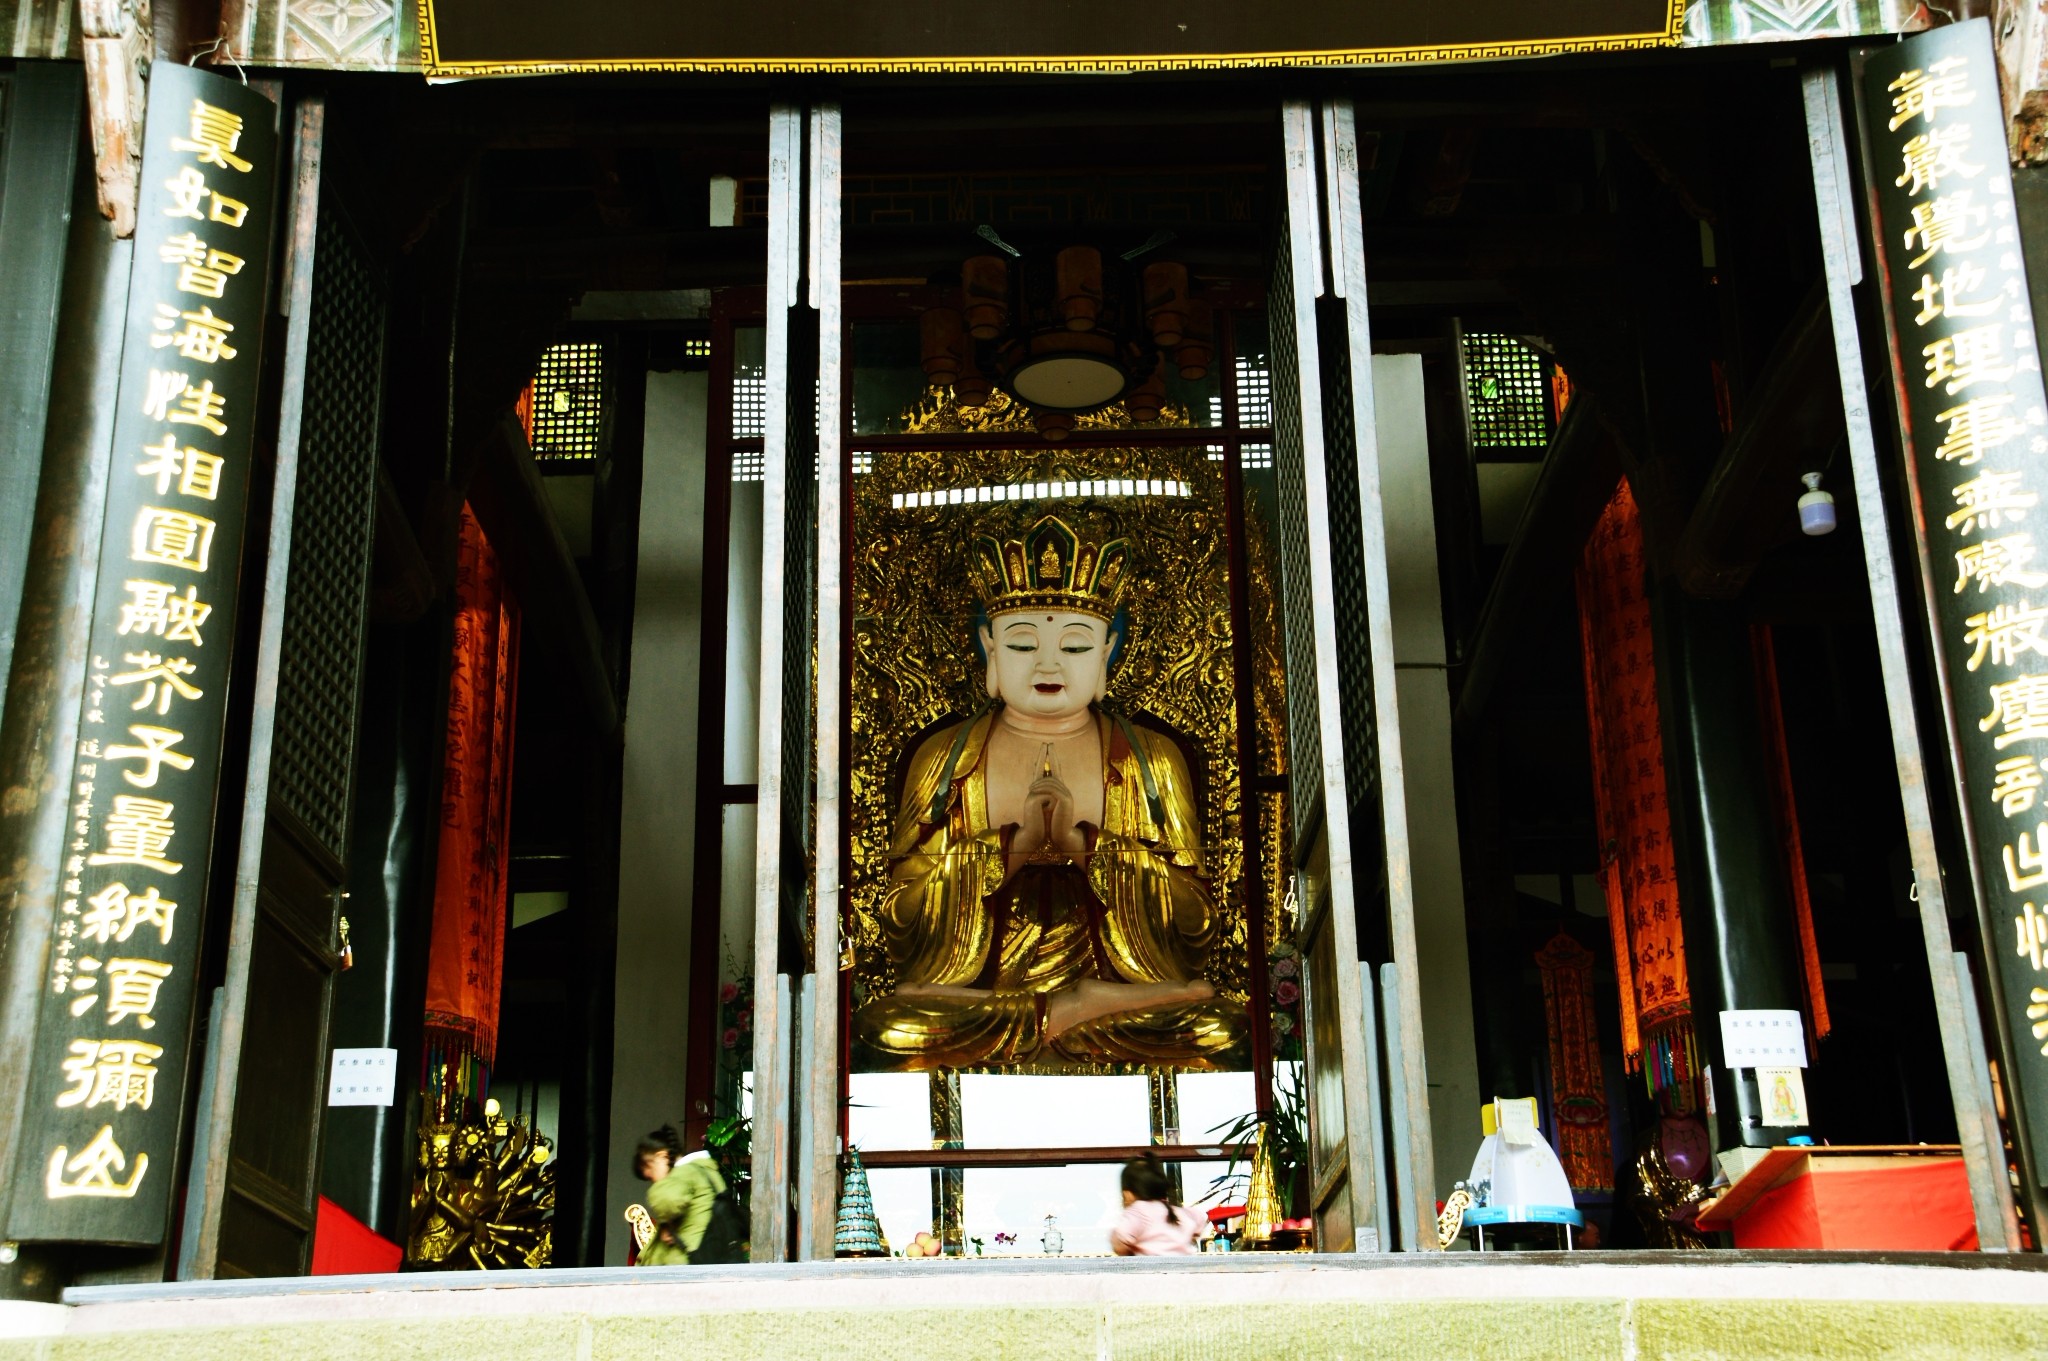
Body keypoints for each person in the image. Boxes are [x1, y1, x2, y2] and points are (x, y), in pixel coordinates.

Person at [853, 513, 1246, 1070]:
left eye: (1076, 647)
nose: (1048, 664)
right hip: (977, 996)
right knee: (886, 1029)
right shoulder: (945, 760)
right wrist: (1007, 849)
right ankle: (1065, 1013)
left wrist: (1088, 847)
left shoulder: (1150, 759)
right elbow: (898, 918)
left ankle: (1077, 1005)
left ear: (1108, 652)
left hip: (1122, 990)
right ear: (989, 649)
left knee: (1218, 1028)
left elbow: (1198, 921)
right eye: (1020, 645)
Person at [633, 1124, 727, 1265]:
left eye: (651, 1177)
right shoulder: (705, 1171)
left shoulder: (685, 1172)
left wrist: (665, 1221)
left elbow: (667, 1202)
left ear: (662, 1157)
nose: (654, 1183)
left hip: (683, 1268)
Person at [1110, 1153, 1203, 1255]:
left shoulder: (1137, 1212)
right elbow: (1198, 1219)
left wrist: (1116, 1240)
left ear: (1127, 1194)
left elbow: (1120, 1242)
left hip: (1152, 1269)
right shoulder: (1178, 1213)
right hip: (1184, 1268)